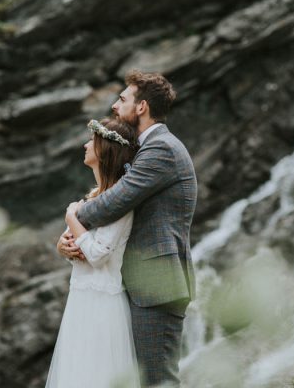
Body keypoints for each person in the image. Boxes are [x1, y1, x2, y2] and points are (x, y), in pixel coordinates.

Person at [57, 70, 197, 387]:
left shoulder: (161, 149)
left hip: (157, 286)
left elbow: (113, 203)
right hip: (138, 284)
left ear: (142, 106)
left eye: (122, 99)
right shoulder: (145, 148)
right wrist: (67, 239)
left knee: (157, 380)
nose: (116, 107)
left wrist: (73, 215)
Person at [45, 118, 140, 388]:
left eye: (92, 141)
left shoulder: (121, 201)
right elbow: (75, 245)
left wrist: (71, 215)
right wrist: (62, 247)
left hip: (102, 304)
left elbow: (98, 255)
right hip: (80, 298)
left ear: (105, 150)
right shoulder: (92, 197)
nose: (86, 144)